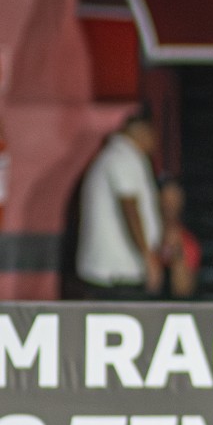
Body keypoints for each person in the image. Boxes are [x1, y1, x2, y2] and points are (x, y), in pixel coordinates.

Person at [76, 114, 163, 300]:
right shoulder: (124, 157)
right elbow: (130, 207)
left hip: (108, 269)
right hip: (118, 271)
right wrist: (148, 257)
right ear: (142, 133)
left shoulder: (110, 156)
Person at [158, 177, 201, 299]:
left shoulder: (188, 241)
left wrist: (176, 252)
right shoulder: (145, 235)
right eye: (165, 200)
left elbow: (183, 290)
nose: (169, 206)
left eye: (174, 201)